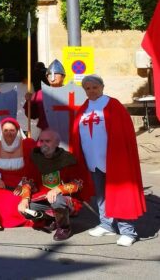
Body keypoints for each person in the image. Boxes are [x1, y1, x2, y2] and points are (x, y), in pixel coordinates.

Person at [71, 75, 145, 247]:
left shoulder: (113, 105)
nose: (91, 91)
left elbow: (122, 132)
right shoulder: (83, 109)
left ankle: (127, 230)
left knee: (120, 193)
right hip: (92, 159)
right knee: (101, 194)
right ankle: (107, 224)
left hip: (114, 159)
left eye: (94, 87)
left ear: (102, 87)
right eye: (87, 88)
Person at [16, 129, 89, 241]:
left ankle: (64, 227)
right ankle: (52, 219)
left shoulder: (68, 159)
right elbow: (28, 181)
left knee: (57, 200)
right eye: (41, 141)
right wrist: (24, 199)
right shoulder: (35, 158)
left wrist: (59, 189)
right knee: (26, 208)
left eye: (48, 141)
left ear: (57, 143)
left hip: (65, 199)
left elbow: (78, 183)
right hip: (43, 197)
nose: (43, 144)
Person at [0, 117, 38, 228]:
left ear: (17, 131)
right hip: (2, 179)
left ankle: (21, 219)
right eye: (6, 130)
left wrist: (22, 184)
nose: (9, 133)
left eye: (12, 130)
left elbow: (32, 168)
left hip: (22, 179)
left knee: (17, 198)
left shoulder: (27, 145)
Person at [29, 59, 66, 130]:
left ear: (63, 76)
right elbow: (33, 115)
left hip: (66, 132)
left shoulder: (70, 92)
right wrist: (29, 102)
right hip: (47, 133)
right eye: (50, 75)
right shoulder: (39, 94)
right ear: (46, 77)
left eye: (56, 74)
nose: (53, 77)